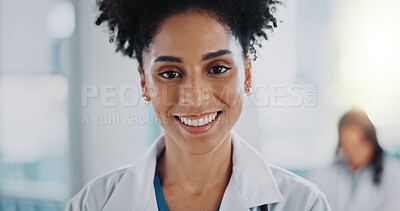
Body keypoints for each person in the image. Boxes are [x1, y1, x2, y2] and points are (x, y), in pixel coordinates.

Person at [66, 0, 331, 210]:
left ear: (247, 74)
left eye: (217, 68)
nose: (195, 97)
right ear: (144, 83)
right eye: (170, 73)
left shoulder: (303, 204)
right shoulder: (92, 204)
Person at [308, 109, 400, 211]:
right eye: (347, 144)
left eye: (358, 143)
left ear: (371, 141)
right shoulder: (322, 176)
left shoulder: (394, 174)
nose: (352, 151)